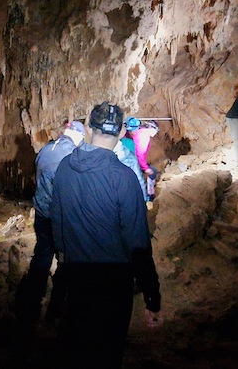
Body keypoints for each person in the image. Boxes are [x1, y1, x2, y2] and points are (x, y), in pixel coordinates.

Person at [51, 102, 161, 368]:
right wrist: (151, 294)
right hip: (114, 280)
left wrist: (63, 265)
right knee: (107, 349)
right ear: (122, 132)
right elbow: (138, 243)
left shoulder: (64, 167)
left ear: (89, 127)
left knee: (77, 347)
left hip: (77, 275)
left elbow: (58, 223)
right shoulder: (123, 178)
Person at [15, 121, 85, 325]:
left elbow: (36, 178)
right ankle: (55, 310)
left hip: (41, 213)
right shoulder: (73, 155)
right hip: (61, 216)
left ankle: (32, 302)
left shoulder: (46, 150)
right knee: (65, 259)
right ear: (79, 136)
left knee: (42, 255)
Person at [132, 119, 160, 199]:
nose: (156, 133)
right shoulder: (144, 136)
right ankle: (149, 195)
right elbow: (140, 153)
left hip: (133, 157)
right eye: (156, 131)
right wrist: (145, 168)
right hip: (135, 160)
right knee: (152, 172)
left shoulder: (141, 132)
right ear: (151, 128)